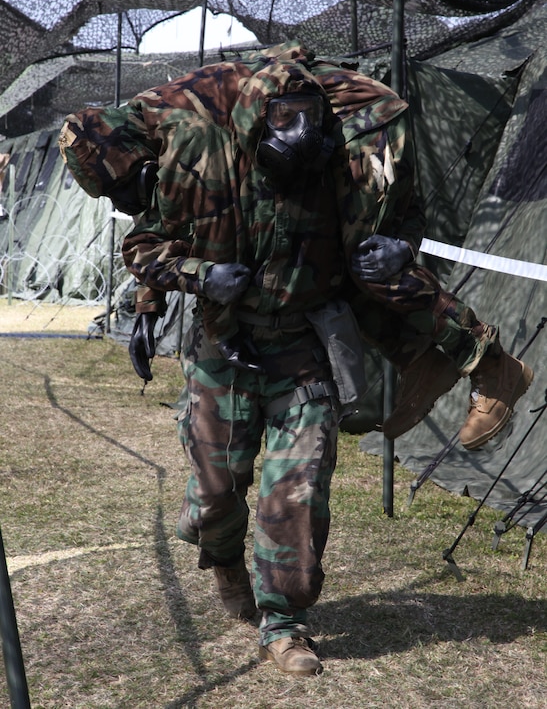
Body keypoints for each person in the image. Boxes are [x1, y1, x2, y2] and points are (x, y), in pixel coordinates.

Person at [58, 40, 533, 675]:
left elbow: (392, 212)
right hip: (222, 346)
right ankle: (225, 561)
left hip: (303, 343)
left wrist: (397, 244)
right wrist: (184, 282)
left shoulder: (335, 147)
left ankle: (283, 622)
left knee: (299, 489)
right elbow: (146, 242)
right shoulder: (182, 155)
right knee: (214, 495)